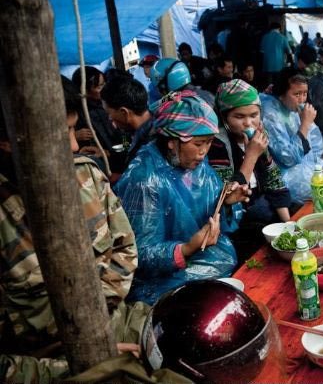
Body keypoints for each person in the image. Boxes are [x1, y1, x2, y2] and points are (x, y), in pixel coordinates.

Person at [0, 82, 143, 382]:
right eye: (60, 134)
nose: (75, 147)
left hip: (117, 320)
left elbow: (125, 250)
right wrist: (89, 357)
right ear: (7, 141)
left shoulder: (86, 175)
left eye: (73, 130)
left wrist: (95, 326)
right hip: (49, 364)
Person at [114, 90, 250, 305]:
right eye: (198, 144)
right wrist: (186, 248)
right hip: (161, 282)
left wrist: (225, 203)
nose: (203, 152)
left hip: (203, 260)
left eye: (208, 143)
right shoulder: (145, 180)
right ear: (171, 142)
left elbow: (211, 214)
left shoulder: (194, 164)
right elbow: (138, 254)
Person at [208, 79, 292, 260]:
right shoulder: (216, 143)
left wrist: (289, 225)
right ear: (224, 117)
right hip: (233, 222)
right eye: (239, 117)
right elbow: (226, 195)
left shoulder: (260, 135)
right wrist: (251, 155)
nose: (248, 123)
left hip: (259, 206)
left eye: (254, 115)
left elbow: (272, 177)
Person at [261, 68, 323, 202]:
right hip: (285, 179)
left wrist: (317, 166)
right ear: (282, 93)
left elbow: (314, 147)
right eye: (297, 94)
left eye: (304, 94)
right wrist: (305, 124)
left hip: (301, 168)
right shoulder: (270, 114)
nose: (302, 99)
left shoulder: (290, 109)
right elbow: (288, 158)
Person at [100, 76, 153, 170]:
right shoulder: (151, 124)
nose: (109, 118)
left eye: (109, 113)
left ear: (124, 112)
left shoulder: (149, 145)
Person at [71, 66, 122, 156]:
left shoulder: (110, 103)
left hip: (119, 156)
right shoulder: (75, 112)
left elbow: (124, 134)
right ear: (84, 90)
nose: (104, 88)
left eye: (104, 84)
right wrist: (74, 136)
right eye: (99, 86)